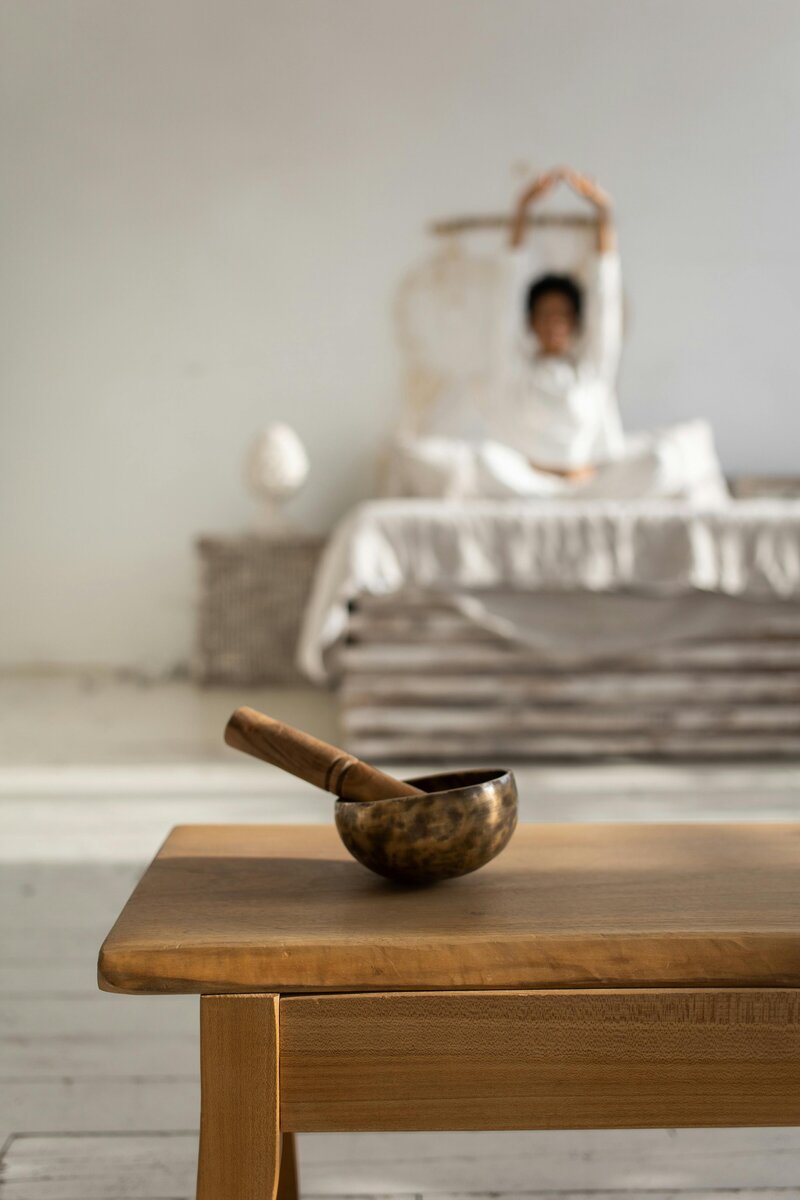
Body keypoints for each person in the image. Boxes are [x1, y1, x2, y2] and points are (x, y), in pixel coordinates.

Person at [490, 167, 625, 480]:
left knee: (662, 460)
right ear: (531, 322)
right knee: (477, 461)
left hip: (585, 486)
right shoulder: (517, 370)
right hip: (523, 486)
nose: (553, 324)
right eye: (544, 315)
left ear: (576, 322)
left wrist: (604, 212)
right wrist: (522, 207)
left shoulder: (592, 371)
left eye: (561, 315)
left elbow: (607, 301)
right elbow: (507, 296)